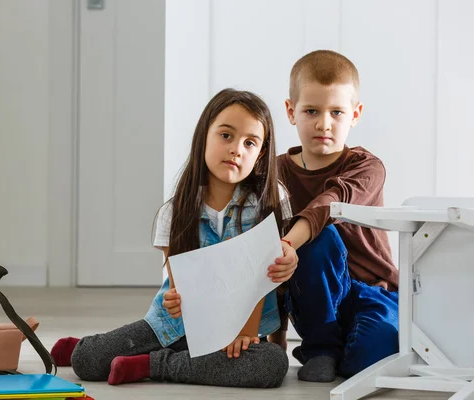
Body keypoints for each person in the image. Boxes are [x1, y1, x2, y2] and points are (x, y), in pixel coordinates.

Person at [51, 88, 296, 388]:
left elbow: (262, 280)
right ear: (204, 136)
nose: (236, 149)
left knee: (272, 364)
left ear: (260, 154)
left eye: (250, 143)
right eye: (226, 136)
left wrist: (244, 333)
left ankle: (152, 364)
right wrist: (176, 300)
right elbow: (179, 286)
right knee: (86, 361)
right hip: (176, 327)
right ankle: (94, 346)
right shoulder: (176, 210)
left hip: (240, 331)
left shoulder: (271, 202)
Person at [268, 50, 399, 382]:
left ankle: (342, 351)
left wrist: (287, 241)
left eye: (336, 112)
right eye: (311, 111)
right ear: (290, 111)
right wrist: (276, 336)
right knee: (317, 242)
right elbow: (271, 254)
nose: (323, 123)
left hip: (373, 291)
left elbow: (330, 204)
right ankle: (321, 348)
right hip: (314, 295)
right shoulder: (276, 173)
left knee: (371, 359)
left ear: (355, 115)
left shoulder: (368, 167)